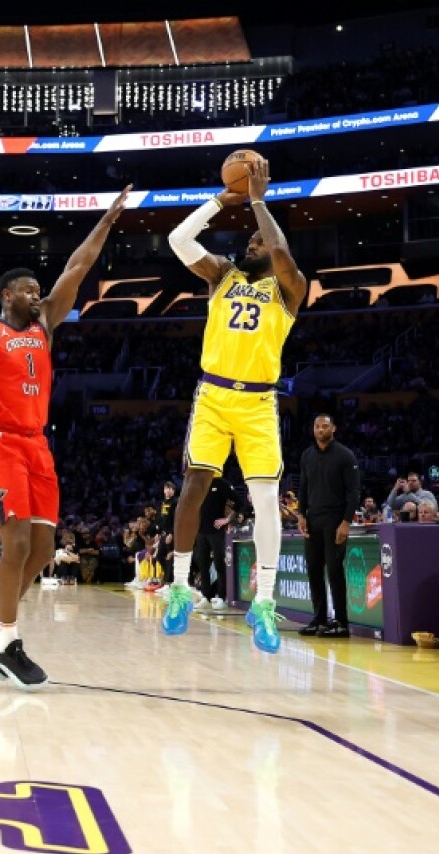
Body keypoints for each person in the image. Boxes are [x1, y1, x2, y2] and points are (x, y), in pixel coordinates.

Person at [0, 186, 130, 689]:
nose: (36, 295)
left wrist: (106, 222)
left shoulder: (45, 324)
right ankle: (9, 641)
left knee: (43, 550)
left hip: (37, 445)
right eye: (27, 290)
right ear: (7, 295)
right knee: (16, 544)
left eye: (38, 289)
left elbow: (77, 268)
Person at [162, 157, 307, 654]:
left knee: (267, 501)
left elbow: (283, 251)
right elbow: (179, 242)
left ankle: (263, 604)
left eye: (257, 242)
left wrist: (260, 202)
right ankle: (180, 588)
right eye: (249, 240)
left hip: (259, 403)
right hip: (213, 395)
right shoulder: (222, 275)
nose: (250, 243)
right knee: (193, 487)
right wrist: (219, 203)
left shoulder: (289, 289)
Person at [296, 413, 361, 637]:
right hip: (312, 518)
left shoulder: (345, 455)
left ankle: (341, 622)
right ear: (313, 429)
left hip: (335, 519)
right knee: (314, 570)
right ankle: (320, 618)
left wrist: (346, 522)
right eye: (317, 426)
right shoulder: (307, 455)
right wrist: (301, 516)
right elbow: (303, 488)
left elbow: (354, 492)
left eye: (325, 426)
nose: (321, 430)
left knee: (334, 571)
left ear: (334, 428)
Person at [192, 474, 236, 611]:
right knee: (203, 565)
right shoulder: (198, 484)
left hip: (216, 532)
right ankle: (206, 596)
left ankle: (222, 597)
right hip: (201, 532)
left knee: (219, 565)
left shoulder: (222, 484)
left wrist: (227, 519)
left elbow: (239, 502)